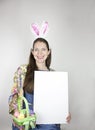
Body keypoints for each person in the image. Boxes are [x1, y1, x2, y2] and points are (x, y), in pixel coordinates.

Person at [9, 37, 71, 130]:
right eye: (36, 50)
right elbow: (14, 94)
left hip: (47, 122)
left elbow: (57, 101)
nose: (40, 53)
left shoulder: (54, 75)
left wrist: (64, 113)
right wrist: (16, 112)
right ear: (32, 52)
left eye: (43, 50)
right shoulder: (22, 71)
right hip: (26, 120)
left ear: (48, 52)